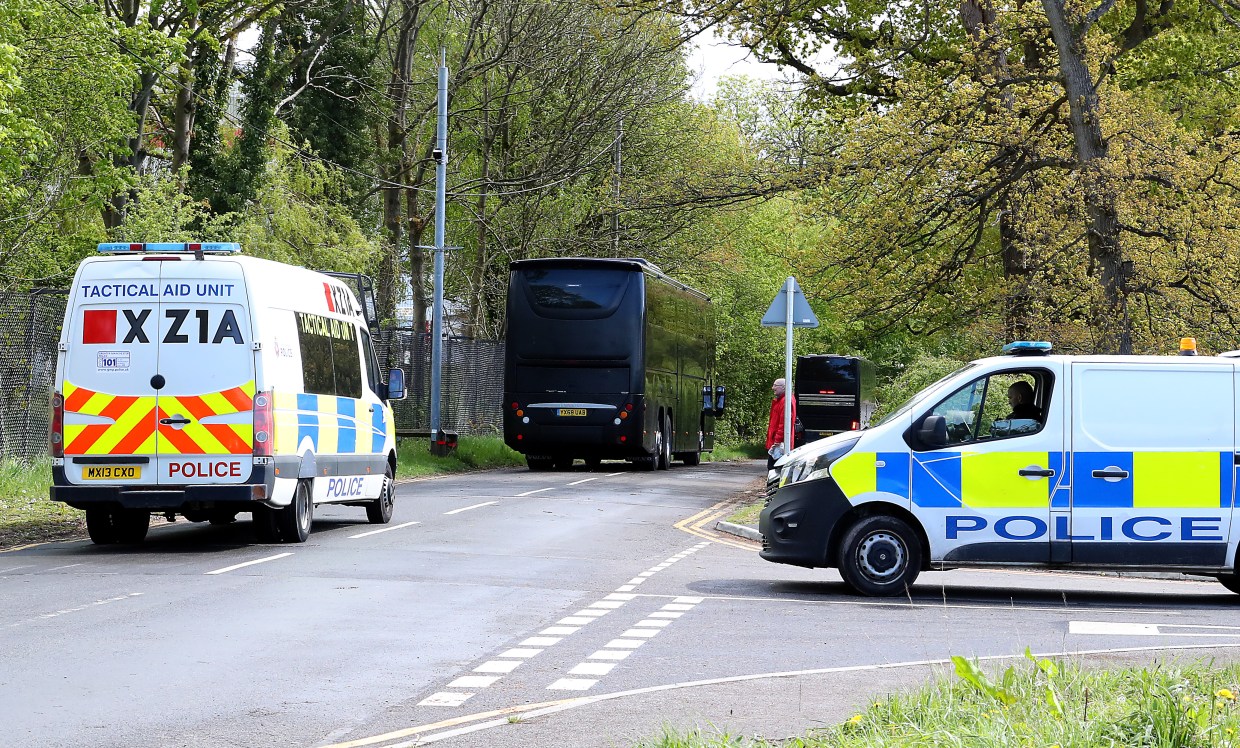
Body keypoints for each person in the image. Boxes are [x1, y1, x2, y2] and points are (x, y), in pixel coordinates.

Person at [766, 377, 797, 470]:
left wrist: (777, 441)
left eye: (775, 385)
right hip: (777, 442)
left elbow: (784, 424)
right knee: (773, 468)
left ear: (784, 387)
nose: (773, 388)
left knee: (774, 468)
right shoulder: (781, 401)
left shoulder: (786, 401)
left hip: (779, 444)